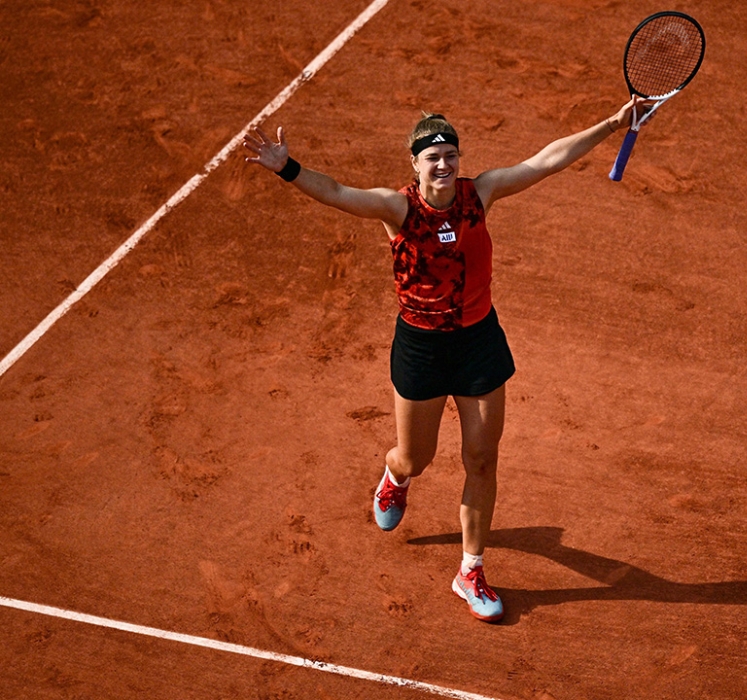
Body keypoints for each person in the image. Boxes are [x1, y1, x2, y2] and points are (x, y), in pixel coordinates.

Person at [243, 96, 649, 623]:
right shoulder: (398, 209)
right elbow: (338, 193)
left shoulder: (480, 193)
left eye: (451, 155)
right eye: (432, 156)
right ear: (414, 163)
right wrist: (288, 169)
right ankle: (395, 476)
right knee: (417, 456)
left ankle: (470, 569)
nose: (443, 163)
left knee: (482, 458)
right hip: (422, 348)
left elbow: (547, 160)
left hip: (478, 341)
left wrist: (613, 124)